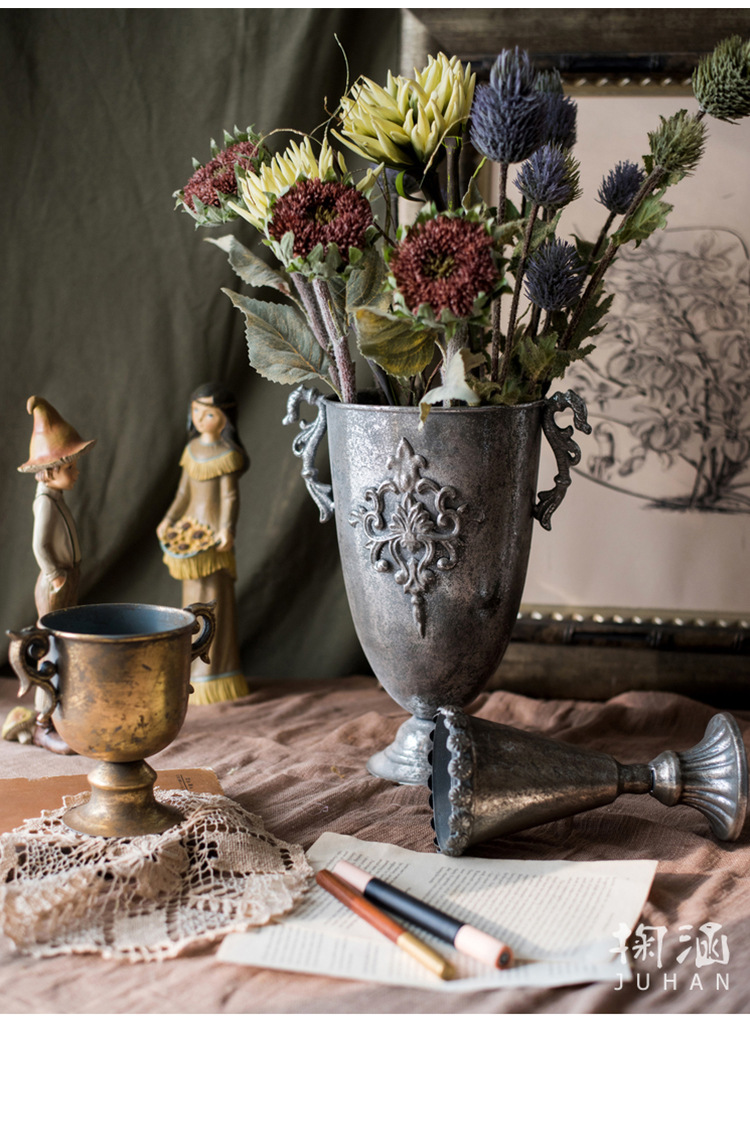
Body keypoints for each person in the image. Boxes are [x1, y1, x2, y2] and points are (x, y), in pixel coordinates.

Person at [157, 383, 250, 703]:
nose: (200, 418)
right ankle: (193, 672)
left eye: (208, 413)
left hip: (212, 535)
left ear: (226, 418)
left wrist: (226, 528)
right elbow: (183, 493)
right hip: (189, 533)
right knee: (191, 601)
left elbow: (230, 496)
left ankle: (217, 673)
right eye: (196, 411)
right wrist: (169, 519)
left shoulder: (227, 455)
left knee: (213, 600)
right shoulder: (192, 449)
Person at [13, 396, 96, 752]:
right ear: (49, 471)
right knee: (52, 650)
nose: (76, 473)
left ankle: (62, 716)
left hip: (66, 577)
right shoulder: (45, 503)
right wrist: (55, 574)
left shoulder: (55, 498)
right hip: (56, 583)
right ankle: (43, 724)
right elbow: (40, 546)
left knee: (66, 645)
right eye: (70, 467)